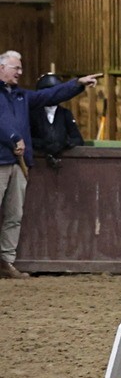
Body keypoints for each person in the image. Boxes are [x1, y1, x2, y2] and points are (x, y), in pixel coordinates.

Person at [0, 51, 101, 279]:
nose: (20, 72)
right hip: (3, 160)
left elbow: (50, 94)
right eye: (16, 68)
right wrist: (14, 137)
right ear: (2, 68)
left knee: (14, 215)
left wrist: (77, 84)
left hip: (18, 162)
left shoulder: (21, 96)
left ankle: (6, 261)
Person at [30, 73, 85, 169]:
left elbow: (78, 140)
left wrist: (64, 143)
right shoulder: (32, 113)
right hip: (38, 164)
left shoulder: (65, 113)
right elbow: (26, 138)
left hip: (64, 164)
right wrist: (43, 144)